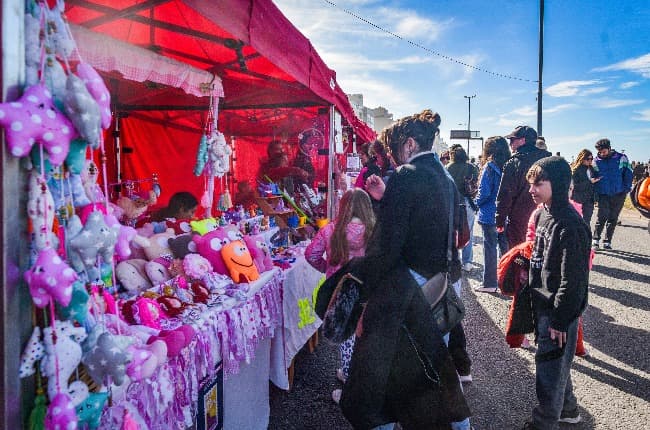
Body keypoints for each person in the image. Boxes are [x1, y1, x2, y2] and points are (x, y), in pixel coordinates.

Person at [341, 110, 471, 430]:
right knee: (432, 364)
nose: (394, 158)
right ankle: (459, 424)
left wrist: (366, 295)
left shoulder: (406, 175)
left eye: (396, 149)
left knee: (382, 368)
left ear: (409, 144)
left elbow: (388, 245)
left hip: (410, 285)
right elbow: (434, 222)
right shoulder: (444, 175)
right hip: (441, 281)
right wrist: (388, 198)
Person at [522, 156, 590, 430]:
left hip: (557, 311)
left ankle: (544, 423)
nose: (532, 189)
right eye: (531, 183)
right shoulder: (543, 213)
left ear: (558, 183)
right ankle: (569, 410)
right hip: (543, 304)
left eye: (538, 183)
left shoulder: (570, 225)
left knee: (548, 370)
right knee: (557, 365)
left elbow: (574, 281)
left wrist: (560, 319)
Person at [304, 189, 375, 402]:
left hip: (340, 290)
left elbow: (311, 254)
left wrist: (327, 269)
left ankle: (349, 388)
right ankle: (366, 379)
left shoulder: (330, 230)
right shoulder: (374, 230)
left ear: (342, 206)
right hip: (368, 290)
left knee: (346, 338)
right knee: (368, 336)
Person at [496, 125, 551, 249]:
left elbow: (505, 194)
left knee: (519, 256)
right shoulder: (549, 161)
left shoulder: (513, 163)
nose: (510, 144)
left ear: (522, 140)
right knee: (542, 254)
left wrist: (499, 220)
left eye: (512, 140)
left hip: (519, 219)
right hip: (546, 216)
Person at [473, 136, 511, 293]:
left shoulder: (489, 167)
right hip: (506, 213)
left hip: (489, 214)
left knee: (490, 249)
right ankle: (508, 281)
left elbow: (484, 192)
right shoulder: (509, 165)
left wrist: (475, 203)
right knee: (506, 250)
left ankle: (490, 283)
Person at [591, 138, 633, 250]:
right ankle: (595, 239)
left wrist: (626, 189)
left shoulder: (621, 158)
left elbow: (628, 173)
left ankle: (607, 241)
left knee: (613, 218)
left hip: (619, 193)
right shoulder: (595, 161)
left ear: (609, 148)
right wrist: (595, 193)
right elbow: (593, 177)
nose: (601, 154)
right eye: (599, 152)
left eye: (603, 151)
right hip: (603, 194)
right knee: (602, 216)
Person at [446, 144, 479, 271]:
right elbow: (476, 183)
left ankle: (453, 259)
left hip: (453, 202)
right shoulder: (471, 167)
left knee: (452, 231)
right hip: (468, 202)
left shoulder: (448, 167)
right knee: (468, 232)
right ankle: (467, 262)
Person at [570, 149, 599, 226]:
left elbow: (593, 184)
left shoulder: (591, 168)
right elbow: (575, 186)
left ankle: (586, 237)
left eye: (591, 159)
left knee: (587, 222)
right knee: (577, 221)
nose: (590, 161)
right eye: (588, 159)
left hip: (589, 199)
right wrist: (590, 182)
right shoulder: (576, 170)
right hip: (579, 199)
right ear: (582, 159)